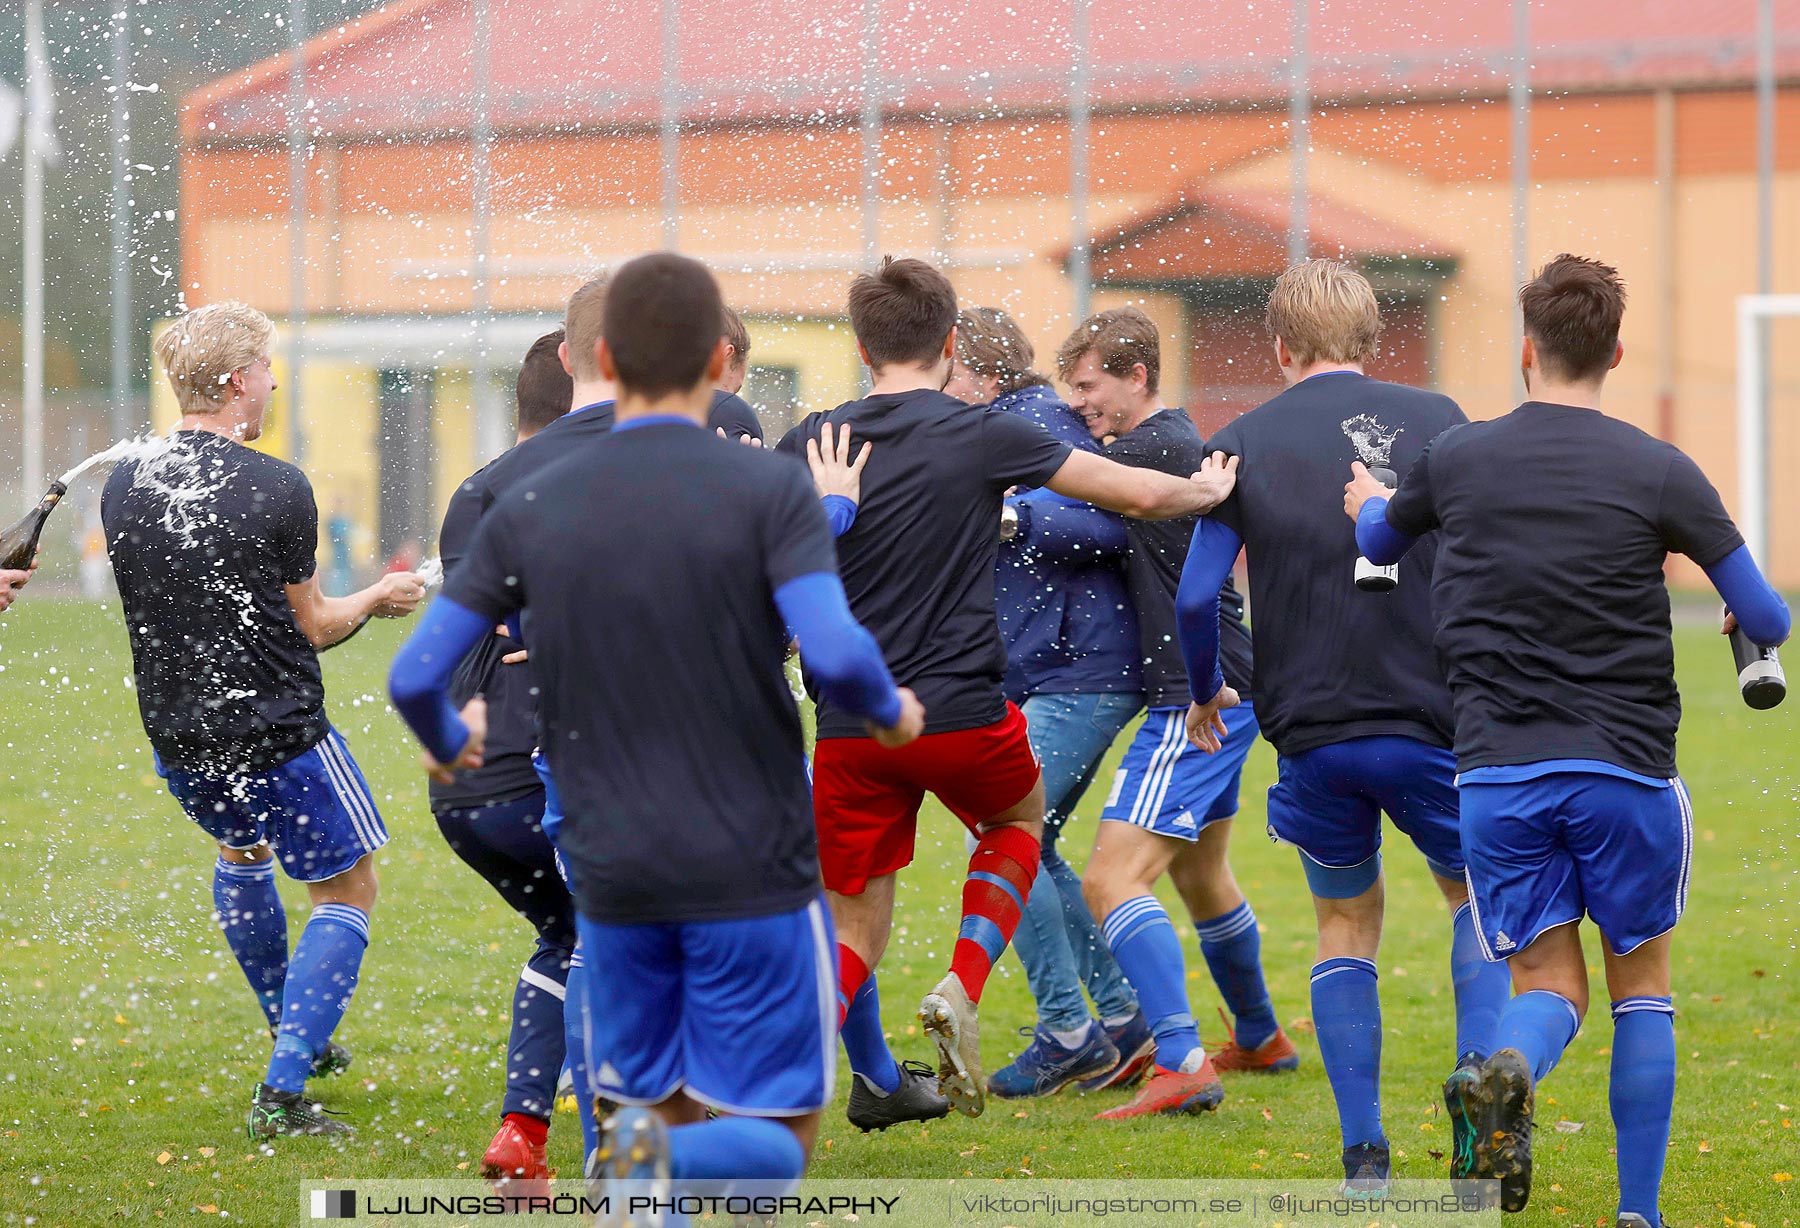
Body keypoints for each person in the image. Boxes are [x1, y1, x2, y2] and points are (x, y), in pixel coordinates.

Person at [389, 251, 922, 1210]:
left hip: (611, 864)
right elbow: (837, 657)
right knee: (780, 1137)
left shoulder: (527, 499)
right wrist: (889, 709)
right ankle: (625, 1175)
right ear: (723, 363)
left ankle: (629, 1171)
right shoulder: (769, 491)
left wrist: (446, 731)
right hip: (750, 861)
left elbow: (415, 672)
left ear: (595, 355)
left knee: (654, 1107)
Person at [1344, 254, 1790, 1223]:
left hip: (1498, 773)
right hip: (1627, 768)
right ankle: (1638, 1211)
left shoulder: (1459, 456)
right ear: (1617, 351)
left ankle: (1508, 1062)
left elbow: (1380, 545)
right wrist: (1732, 611)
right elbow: (1766, 611)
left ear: (1525, 351)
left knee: (1545, 978)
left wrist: (1370, 507)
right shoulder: (1660, 466)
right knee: (1642, 988)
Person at [775, 257, 1240, 1125]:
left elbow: (753, 547)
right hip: (962, 713)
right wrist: (1204, 489)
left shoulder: (817, 439)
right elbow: (1133, 495)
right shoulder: (979, 432)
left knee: (850, 934)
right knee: (1019, 822)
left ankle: (764, 1070)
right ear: (950, 344)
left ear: (862, 344)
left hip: (850, 724)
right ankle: (964, 979)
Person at [1177, 260, 1512, 1193]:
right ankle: (1481, 1097)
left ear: (1280, 347)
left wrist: (1206, 691)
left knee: (1343, 922)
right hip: (1437, 722)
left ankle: (1364, 1152)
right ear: (1373, 340)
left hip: (1314, 731)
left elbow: (1199, 592)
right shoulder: (1441, 419)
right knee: (1475, 905)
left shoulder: (1241, 437)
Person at [102, 301, 425, 1138]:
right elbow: (316, 624)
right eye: (269, 368)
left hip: (178, 734)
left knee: (239, 850)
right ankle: (284, 1092)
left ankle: (295, 1034)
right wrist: (381, 596)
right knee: (347, 888)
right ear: (241, 380)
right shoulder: (280, 485)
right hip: (280, 734)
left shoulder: (124, 481)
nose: (275, 381)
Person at [1061, 307, 1292, 1123]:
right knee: (1199, 874)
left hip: (1200, 700)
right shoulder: (1163, 444)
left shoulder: (1149, 450)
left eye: (1090, 386)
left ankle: (1183, 1058)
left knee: (1109, 880)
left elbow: (1060, 497)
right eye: (1071, 389)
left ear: (1138, 378)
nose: (1080, 402)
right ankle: (1261, 1035)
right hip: (1233, 684)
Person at [944, 307, 1153, 1099]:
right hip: (1054, 672)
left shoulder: (1031, 422)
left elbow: (1108, 523)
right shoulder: (999, 423)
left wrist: (1004, 512)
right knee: (1038, 847)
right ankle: (1126, 1023)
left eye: (950, 374)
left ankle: (1070, 1030)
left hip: (1083, 671)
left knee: (1006, 837)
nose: (939, 387)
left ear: (987, 378)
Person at [431, 328, 579, 1183]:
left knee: (570, 933)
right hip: (538, 767)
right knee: (632, 934)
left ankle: (521, 1131)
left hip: (464, 789)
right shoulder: (579, 479)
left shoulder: (473, 490)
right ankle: (636, 1128)